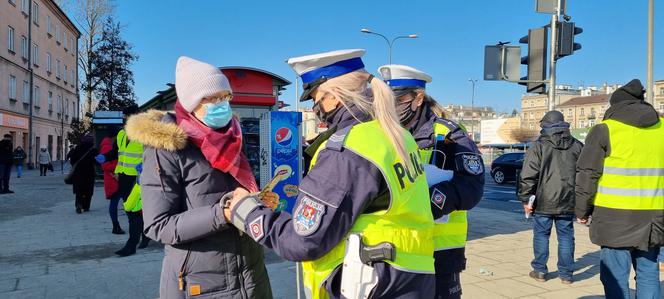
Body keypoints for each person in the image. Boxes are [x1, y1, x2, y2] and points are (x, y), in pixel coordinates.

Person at [225, 49, 436, 299]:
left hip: (369, 283)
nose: (315, 107)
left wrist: (246, 211)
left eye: (316, 98)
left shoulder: (348, 149)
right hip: (407, 277)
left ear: (334, 96)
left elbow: (303, 241)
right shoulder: (397, 135)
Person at [132, 56, 271, 298]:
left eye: (225, 97)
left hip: (251, 274)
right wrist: (224, 213)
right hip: (201, 283)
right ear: (191, 101)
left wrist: (256, 203)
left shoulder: (233, 138)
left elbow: (240, 193)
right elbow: (158, 226)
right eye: (211, 98)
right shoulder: (165, 148)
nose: (222, 104)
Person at [378, 64, 485, 299]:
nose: (390, 107)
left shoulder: (448, 135)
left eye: (397, 100)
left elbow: (472, 185)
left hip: (440, 251)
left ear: (418, 98)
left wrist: (426, 205)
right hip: (395, 247)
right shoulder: (382, 133)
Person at [576, 79, 664, 299]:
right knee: (648, 271)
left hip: (615, 216)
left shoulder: (605, 130)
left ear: (614, 107)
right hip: (655, 217)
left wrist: (582, 211)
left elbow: (588, 174)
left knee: (615, 275)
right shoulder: (662, 129)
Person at [517, 110, 582, 284]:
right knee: (566, 236)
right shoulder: (577, 145)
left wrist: (525, 199)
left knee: (541, 235)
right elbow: (584, 175)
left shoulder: (538, 146)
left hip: (543, 200)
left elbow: (528, 175)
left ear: (545, 126)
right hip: (568, 200)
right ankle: (566, 275)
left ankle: (540, 271)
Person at [96, 130, 124, 234]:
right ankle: (115, 226)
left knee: (121, 203)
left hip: (115, 179)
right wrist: (118, 168)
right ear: (114, 136)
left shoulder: (109, 145)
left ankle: (117, 226)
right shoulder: (108, 147)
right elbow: (105, 165)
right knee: (115, 203)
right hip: (113, 180)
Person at [68, 135, 98, 213]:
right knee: (88, 191)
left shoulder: (77, 148)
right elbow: (96, 162)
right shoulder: (93, 150)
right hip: (89, 173)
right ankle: (86, 206)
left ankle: (78, 204)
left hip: (78, 173)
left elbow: (72, 160)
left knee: (79, 190)